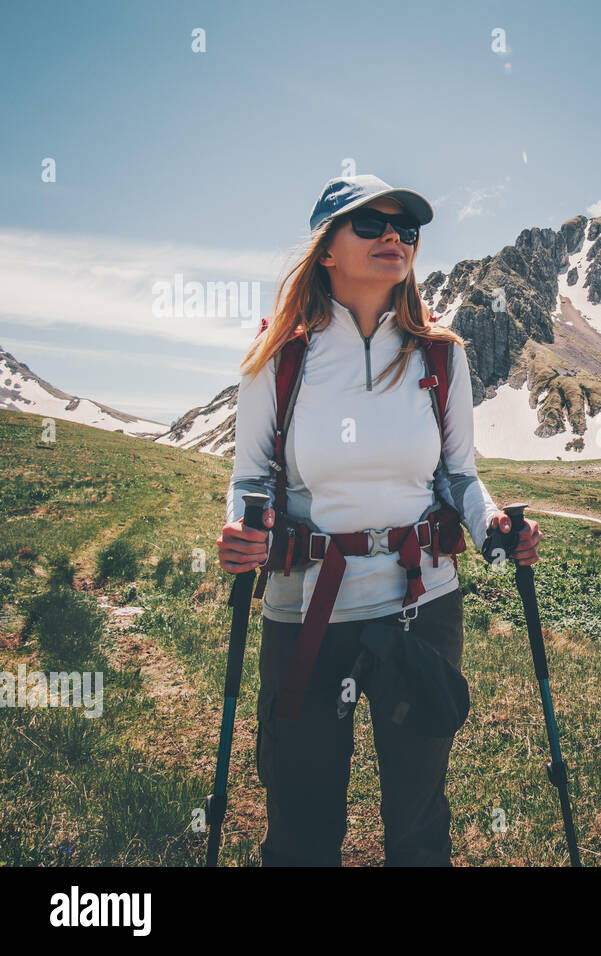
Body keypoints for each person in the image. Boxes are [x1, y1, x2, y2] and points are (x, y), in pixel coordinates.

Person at [216, 173, 541, 866]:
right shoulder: (280, 356)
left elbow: (457, 474)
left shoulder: (441, 354)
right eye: (370, 224)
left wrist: (492, 530)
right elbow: (249, 477)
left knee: (418, 816)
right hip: (304, 608)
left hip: (421, 605)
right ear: (327, 248)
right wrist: (247, 530)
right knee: (301, 819)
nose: (394, 237)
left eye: (408, 229)